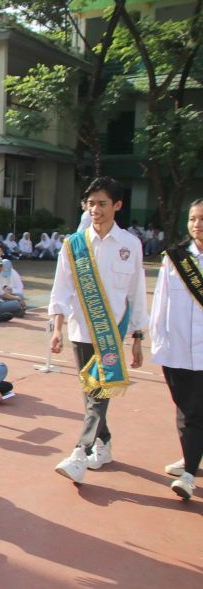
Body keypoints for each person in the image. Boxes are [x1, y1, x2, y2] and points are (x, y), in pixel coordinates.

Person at [50, 177, 148, 485]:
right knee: (91, 394)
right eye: (90, 204)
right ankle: (103, 445)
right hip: (81, 331)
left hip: (112, 334)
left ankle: (80, 452)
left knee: (96, 394)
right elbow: (61, 290)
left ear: (117, 205)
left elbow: (136, 293)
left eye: (102, 204)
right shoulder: (74, 245)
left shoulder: (130, 245)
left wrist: (137, 338)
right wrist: (57, 329)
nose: (96, 210)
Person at [150, 199, 203, 499]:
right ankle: (192, 454)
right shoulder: (175, 259)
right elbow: (161, 302)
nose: (197, 225)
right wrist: (158, 342)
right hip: (178, 348)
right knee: (184, 408)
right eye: (193, 219)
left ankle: (188, 474)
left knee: (196, 411)